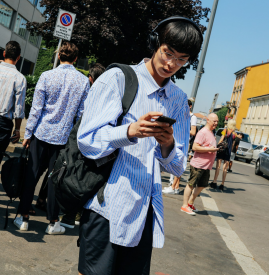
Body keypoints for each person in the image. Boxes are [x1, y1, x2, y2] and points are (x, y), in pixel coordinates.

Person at [77, 16, 203, 275]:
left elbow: (178, 167)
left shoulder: (178, 100)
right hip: (106, 205)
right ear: (155, 43)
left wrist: (168, 144)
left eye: (182, 59)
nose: (172, 64)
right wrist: (129, 131)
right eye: (168, 53)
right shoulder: (118, 79)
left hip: (144, 212)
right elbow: (86, 141)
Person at [14, 42, 90, 234]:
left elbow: (37, 109)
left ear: (58, 57)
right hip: (63, 138)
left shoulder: (47, 76)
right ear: (75, 59)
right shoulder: (82, 82)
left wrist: (28, 133)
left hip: (41, 133)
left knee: (32, 175)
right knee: (56, 180)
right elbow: (82, 114)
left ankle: (23, 217)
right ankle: (53, 222)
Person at [181, 113, 219, 215]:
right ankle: (184, 206)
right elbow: (195, 147)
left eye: (217, 121)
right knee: (191, 184)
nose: (216, 123)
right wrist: (209, 149)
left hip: (206, 166)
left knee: (202, 185)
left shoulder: (211, 132)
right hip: (198, 164)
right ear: (208, 120)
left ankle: (190, 202)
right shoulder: (203, 132)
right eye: (214, 121)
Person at [162, 99, 197, 194]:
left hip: (184, 143)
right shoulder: (181, 115)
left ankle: (173, 187)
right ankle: (176, 187)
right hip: (176, 141)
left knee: (179, 164)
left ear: (189, 106)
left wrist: (182, 129)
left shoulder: (192, 117)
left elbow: (193, 132)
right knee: (175, 163)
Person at [0, 41, 26, 164]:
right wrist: (17, 129)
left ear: (4, 53)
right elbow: (19, 108)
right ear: (18, 57)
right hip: (3, 124)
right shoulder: (19, 78)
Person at [210, 119, 237, 191]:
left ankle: (214, 182)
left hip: (222, 150)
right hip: (228, 152)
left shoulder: (225, 130)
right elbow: (233, 145)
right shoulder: (235, 134)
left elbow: (221, 139)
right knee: (225, 168)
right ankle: (222, 184)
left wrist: (217, 146)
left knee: (218, 166)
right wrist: (229, 152)